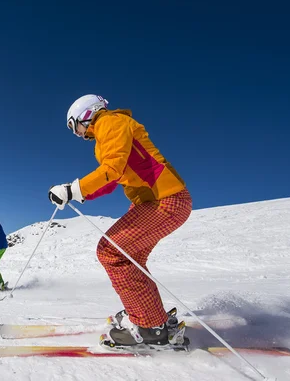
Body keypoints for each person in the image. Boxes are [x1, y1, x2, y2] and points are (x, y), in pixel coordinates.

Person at [48, 94, 192, 346]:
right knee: (129, 258)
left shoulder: (109, 123)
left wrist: (74, 189)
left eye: (74, 126)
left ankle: (150, 328)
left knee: (111, 252)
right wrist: (78, 193)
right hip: (155, 200)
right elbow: (112, 179)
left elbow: (112, 168)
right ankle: (150, 317)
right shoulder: (104, 135)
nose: (76, 133)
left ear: (86, 114)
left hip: (165, 199)